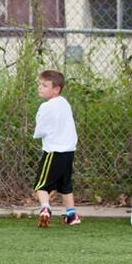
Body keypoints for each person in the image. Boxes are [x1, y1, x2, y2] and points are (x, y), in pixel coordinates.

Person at [33, 69, 79, 227]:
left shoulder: (46, 107)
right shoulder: (65, 103)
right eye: (40, 84)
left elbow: (40, 130)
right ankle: (72, 215)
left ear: (56, 89)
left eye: (45, 85)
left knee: (41, 185)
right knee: (65, 185)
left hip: (53, 151)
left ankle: (45, 209)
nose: (40, 87)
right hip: (69, 152)